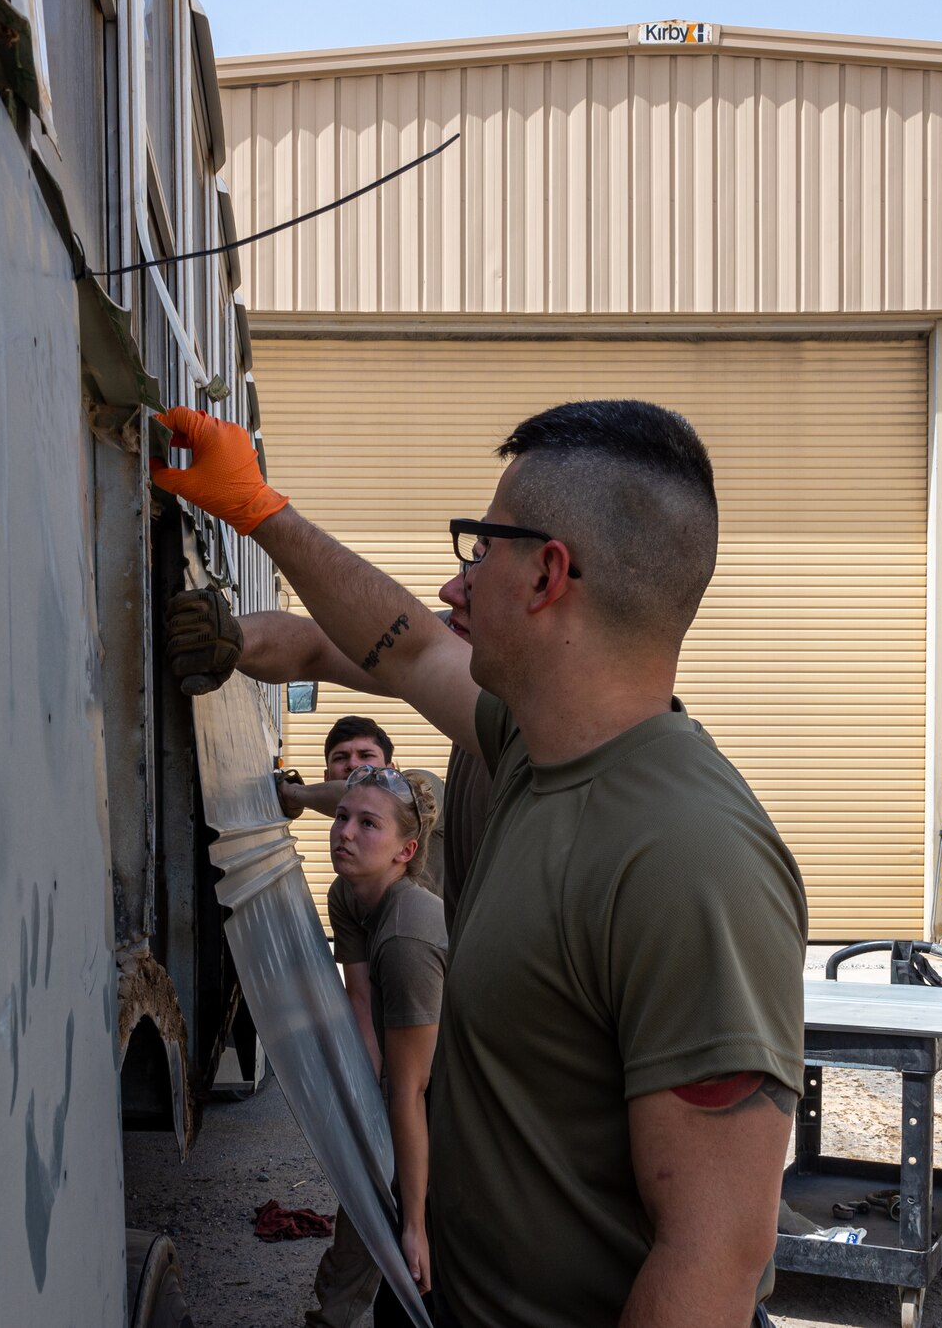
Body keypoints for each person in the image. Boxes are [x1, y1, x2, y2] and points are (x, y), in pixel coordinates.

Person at [151, 399, 808, 1328]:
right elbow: (406, 640)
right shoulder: (531, 746)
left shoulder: (693, 859)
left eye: (479, 548)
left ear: (546, 575)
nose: (456, 588)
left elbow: (713, 1257)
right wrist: (259, 509)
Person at [166, 593, 492, 932]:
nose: (353, 767)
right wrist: (233, 638)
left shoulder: (423, 790)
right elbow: (314, 645)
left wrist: (295, 795)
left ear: (395, 770)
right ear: (327, 775)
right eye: (342, 759)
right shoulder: (345, 894)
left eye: (367, 760)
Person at [311, 766, 447, 1328]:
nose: (345, 832)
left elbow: (412, 1089)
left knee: (417, 1267)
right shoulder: (351, 895)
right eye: (343, 816)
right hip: (414, 1085)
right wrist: (363, 1114)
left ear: (405, 850)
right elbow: (361, 1000)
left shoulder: (407, 935)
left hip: (455, 1100)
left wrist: (413, 1221)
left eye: (369, 824)